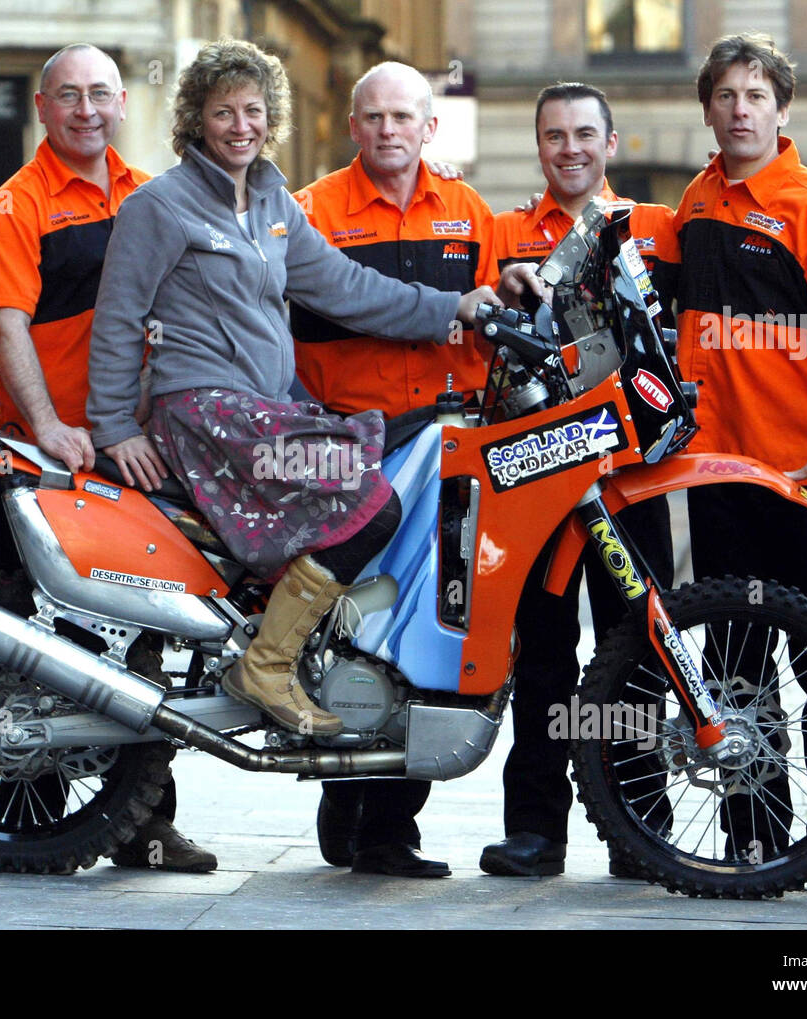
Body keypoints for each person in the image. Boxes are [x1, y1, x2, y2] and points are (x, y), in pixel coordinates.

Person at [87, 40, 496, 757]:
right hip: (206, 411)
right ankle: (267, 666)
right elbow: (118, 317)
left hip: (264, 408)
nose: (240, 125)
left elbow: (346, 289)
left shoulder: (273, 201)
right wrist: (116, 425)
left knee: (369, 492)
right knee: (369, 496)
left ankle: (298, 657)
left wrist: (452, 308)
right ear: (196, 120)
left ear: (270, 118)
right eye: (223, 112)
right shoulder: (161, 204)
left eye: (253, 110)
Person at [0, 43, 215, 873]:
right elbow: (6, 325)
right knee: (46, 645)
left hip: (136, 456)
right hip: (46, 458)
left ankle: (147, 823)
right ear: (42, 108)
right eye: (68, 96)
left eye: (100, 95)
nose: (86, 110)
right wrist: (46, 427)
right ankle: (31, 824)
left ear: (121, 104)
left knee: (148, 640)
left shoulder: (151, 195)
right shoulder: (14, 204)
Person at [674, 35, 807, 897]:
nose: (740, 109)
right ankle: (754, 836)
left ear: (782, 108)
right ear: (710, 108)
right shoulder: (693, 204)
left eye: (756, 95)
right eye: (725, 95)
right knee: (736, 669)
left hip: (802, 478)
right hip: (717, 475)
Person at [289, 61, 501, 879]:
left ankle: (387, 828)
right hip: (353, 452)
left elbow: (498, 310)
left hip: (452, 453)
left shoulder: (468, 212)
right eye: (372, 118)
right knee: (353, 633)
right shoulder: (313, 212)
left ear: (428, 128)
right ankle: (344, 798)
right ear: (353, 127)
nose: (387, 130)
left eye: (402, 117)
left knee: (432, 639)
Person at [479, 82, 679, 879]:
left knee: (634, 645)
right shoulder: (501, 233)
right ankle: (535, 829)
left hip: (631, 478)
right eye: (555, 136)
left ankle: (638, 823)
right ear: (539, 147)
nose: (571, 148)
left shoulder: (654, 230)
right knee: (544, 656)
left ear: (612, 142)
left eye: (585, 134)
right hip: (536, 478)